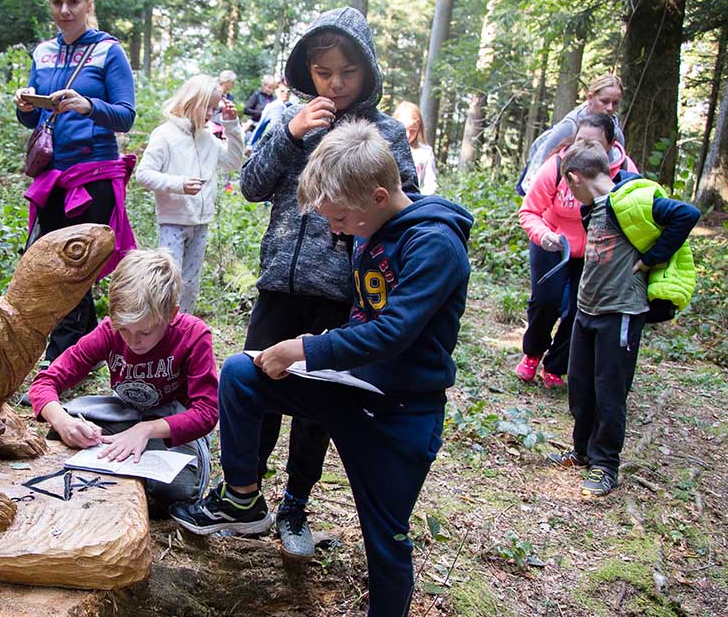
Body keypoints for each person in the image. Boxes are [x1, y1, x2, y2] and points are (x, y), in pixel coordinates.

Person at [172, 119, 471, 617]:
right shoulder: (368, 226)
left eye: (341, 221)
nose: (335, 230)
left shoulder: (434, 244)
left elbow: (392, 332)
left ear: (378, 196)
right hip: (350, 389)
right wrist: (301, 358)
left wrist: (303, 348)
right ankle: (243, 498)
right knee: (244, 374)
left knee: (387, 540)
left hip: (401, 412)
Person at [235, 5, 419, 561]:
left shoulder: (385, 131)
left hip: (344, 294)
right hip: (279, 284)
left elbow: (403, 201)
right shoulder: (289, 119)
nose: (335, 84)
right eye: (323, 73)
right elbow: (250, 185)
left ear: (367, 72)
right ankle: (241, 495)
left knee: (317, 405)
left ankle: (295, 501)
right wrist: (289, 135)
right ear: (305, 73)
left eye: (347, 72)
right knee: (254, 381)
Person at [545, 140, 698, 497]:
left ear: (575, 177)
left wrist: (652, 257)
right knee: (580, 387)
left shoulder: (632, 201)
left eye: (568, 185)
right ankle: (582, 451)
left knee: (609, 392)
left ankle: (605, 465)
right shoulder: (593, 209)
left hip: (621, 312)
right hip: (587, 309)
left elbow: (686, 215)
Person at [28, 249, 219, 515]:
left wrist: (146, 430)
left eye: (145, 331)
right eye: (124, 329)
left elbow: (207, 413)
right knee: (62, 435)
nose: (133, 340)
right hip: (124, 416)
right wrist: (63, 422)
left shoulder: (193, 335)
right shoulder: (109, 331)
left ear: (171, 314)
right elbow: (45, 381)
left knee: (175, 492)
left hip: (169, 428)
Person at [14, 0, 137, 363]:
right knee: (52, 256)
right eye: (58, 2)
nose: (65, 9)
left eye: (73, 2)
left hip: (94, 174)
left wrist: (88, 106)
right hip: (52, 174)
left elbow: (126, 114)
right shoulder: (44, 53)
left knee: (76, 261)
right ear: (50, 5)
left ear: (88, 3)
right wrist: (25, 106)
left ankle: (63, 351)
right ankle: (83, 341)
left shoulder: (108, 51)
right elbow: (35, 120)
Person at [515, 114, 639, 388]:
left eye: (593, 143)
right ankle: (532, 353)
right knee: (546, 300)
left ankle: (556, 367)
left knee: (579, 310)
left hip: (596, 249)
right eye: (580, 141)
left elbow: (637, 214)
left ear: (609, 146)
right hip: (553, 241)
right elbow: (529, 211)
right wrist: (544, 234)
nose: (583, 149)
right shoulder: (558, 164)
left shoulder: (624, 171)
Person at [135, 75, 246, 314]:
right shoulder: (164, 135)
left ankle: (183, 331)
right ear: (191, 101)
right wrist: (179, 184)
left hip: (200, 223)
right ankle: (160, 327)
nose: (209, 113)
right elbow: (143, 175)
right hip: (173, 222)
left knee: (190, 284)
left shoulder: (207, 138)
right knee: (168, 283)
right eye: (206, 106)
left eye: (214, 109)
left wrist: (232, 126)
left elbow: (234, 162)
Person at [517, 73, 625, 195]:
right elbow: (544, 157)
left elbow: (619, 164)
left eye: (615, 103)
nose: (610, 108)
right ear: (590, 98)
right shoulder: (570, 126)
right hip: (561, 190)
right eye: (604, 101)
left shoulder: (615, 132)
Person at [391, 101, 437, 195]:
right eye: (404, 130)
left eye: (412, 130)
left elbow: (430, 183)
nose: (408, 135)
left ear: (419, 128)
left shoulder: (425, 152)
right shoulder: (386, 148)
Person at [249, 80, 291, 147]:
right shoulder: (272, 106)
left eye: (288, 91)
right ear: (276, 91)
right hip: (273, 144)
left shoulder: (293, 108)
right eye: (282, 91)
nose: (286, 93)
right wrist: (250, 145)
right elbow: (260, 127)